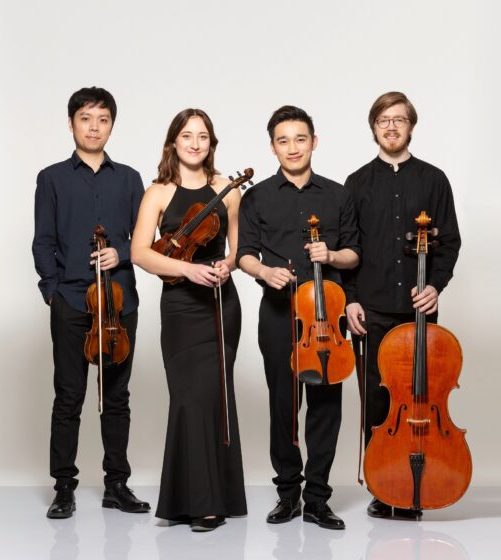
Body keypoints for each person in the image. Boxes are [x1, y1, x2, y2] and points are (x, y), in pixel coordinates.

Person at [237, 105, 360, 530]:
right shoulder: (256, 197)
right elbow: (244, 253)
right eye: (283, 140)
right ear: (273, 146)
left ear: (314, 142)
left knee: (326, 407)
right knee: (284, 407)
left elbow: (354, 253)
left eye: (300, 139)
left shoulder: (338, 195)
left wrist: (332, 255)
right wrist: (264, 272)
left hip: (327, 318)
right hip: (279, 315)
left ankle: (318, 498)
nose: (292, 148)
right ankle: (288, 494)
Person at [33, 86, 150, 519]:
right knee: (69, 396)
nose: (94, 127)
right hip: (71, 300)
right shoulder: (51, 178)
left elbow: (146, 240)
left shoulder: (130, 178)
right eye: (85, 118)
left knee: (116, 397)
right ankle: (64, 487)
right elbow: (43, 241)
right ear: (71, 124)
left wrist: (121, 251)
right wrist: (53, 292)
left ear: (111, 126)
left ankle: (116, 484)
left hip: (119, 304)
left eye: (102, 119)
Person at [343, 91, 461, 519]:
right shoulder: (356, 183)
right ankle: (384, 487)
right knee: (379, 402)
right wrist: (350, 300)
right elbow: (348, 247)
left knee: (421, 398)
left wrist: (436, 286)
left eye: (399, 119)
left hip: (418, 310)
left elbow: (449, 242)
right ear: (373, 127)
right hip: (370, 308)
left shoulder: (434, 180)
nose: (391, 126)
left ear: (411, 126)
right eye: (383, 120)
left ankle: (421, 484)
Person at [130, 108, 247, 532]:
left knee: (214, 397)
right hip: (180, 306)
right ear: (173, 143)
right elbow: (140, 252)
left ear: (211, 143)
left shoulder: (227, 190)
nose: (195, 143)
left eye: (203, 136)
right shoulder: (158, 192)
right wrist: (188, 269)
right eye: (187, 136)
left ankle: (212, 501)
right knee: (187, 398)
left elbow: (238, 249)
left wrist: (226, 266)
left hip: (219, 303)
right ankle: (189, 499)